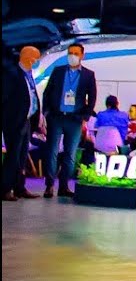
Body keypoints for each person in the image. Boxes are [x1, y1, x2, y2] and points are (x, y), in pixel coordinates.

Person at [40, 43, 97, 198]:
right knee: (51, 151)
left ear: (82, 55)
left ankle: (64, 186)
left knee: (70, 154)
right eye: (70, 52)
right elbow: (47, 92)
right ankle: (49, 185)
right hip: (56, 117)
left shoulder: (88, 75)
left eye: (76, 53)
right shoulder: (58, 71)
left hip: (75, 119)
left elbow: (92, 98)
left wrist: (85, 118)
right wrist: (46, 113)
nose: (72, 55)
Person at [2, 47, 43, 201]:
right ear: (27, 57)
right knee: (13, 156)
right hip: (14, 121)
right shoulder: (12, 74)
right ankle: (5, 188)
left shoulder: (29, 75)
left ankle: (20, 187)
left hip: (27, 121)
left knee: (22, 156)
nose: (37, 61)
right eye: (36, 58)